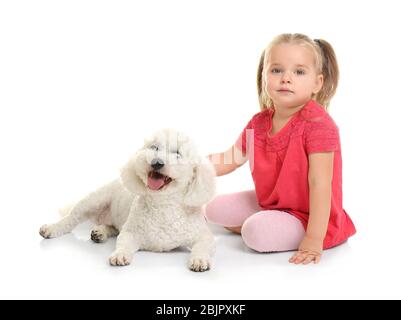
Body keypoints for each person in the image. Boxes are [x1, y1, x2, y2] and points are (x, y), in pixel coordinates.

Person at [205, 33, 356, 265]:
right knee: (213, 210)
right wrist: (188, 167)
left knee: (254, 234)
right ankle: (270, 220)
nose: (286, 78)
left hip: (310, 216)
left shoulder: (319, 125)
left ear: (317, 83)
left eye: (299, 72)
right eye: (276, 70)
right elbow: (230, 158)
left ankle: (269, 225)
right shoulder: (259, 122)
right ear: (264, 77)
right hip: (273, 202)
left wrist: (314, 239)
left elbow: (320, 184)